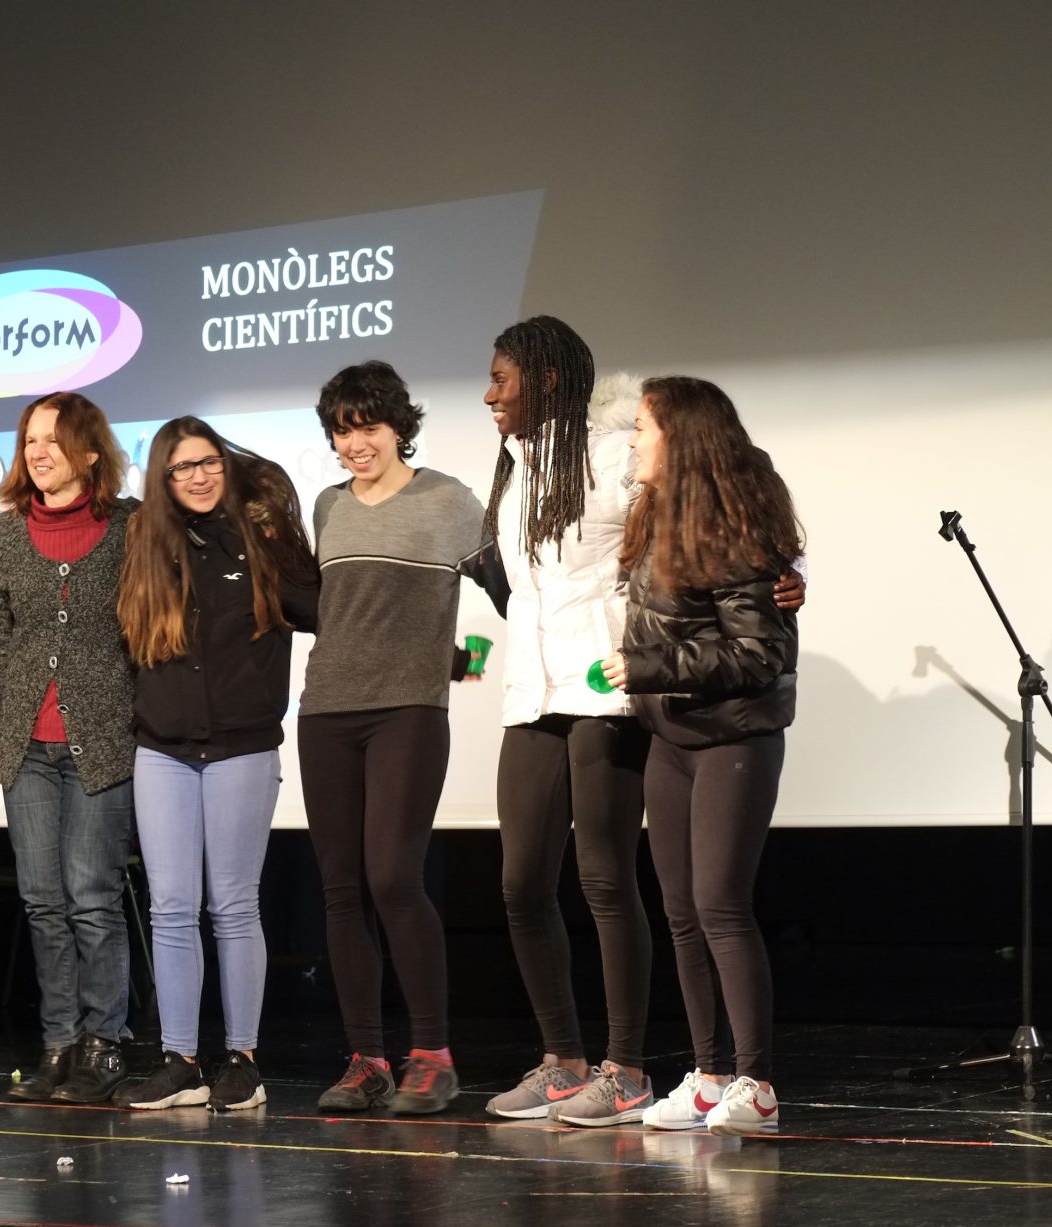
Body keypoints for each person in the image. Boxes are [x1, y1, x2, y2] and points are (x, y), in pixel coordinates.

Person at [473, 318, 808, 1126]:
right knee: (521, 884)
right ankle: (563, 1061)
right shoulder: (513, 468)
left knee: (612, 881)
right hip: (533, 690)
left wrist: (787, 574)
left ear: (548, 379)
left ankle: (628, 1069)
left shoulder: (615, 455)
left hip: (612, 690)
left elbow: (719, 488)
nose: (488, 395)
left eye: (501, 378)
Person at [600, 375, 801, 1138]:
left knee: (720, 905)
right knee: (681, 913)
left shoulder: (737, 529)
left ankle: (758, 1085)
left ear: (681, 438)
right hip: (672, 737)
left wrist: (650, 668)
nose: (633, 441)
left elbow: (757, 654)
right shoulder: (654, 515)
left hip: (733, 738)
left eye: (643, 427)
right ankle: (711, 1078)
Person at [113, 417, 319, 1111]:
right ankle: (179, 1062)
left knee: (231, 905)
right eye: (182, 468)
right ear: (163, 479)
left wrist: (275, 534)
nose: (198, 477)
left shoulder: (259, 537)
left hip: (242, 746)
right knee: (170, 907)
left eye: (209, 463)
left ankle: (242, 1061)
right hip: (163, 750)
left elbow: (317, 605)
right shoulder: (144, 544)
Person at [299, 361, 486, 1114]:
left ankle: (433, 1056)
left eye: (368, 427)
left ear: (399, 426)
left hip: (407, 709)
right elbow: (339, 611)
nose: (356, 444)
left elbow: (517, 589)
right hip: (326, 711)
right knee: (341, 889)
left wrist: (467, 657)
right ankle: (366, 1059)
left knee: (392, 879)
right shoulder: (328, 506)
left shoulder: (448, 500)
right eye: (342, 431)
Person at [0, 392, 138, 1105]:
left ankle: (105, 1044)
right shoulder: (5, 534)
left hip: (103, 741)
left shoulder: (130, 527)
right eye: (30, 440)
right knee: (42, 902)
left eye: (54, 440)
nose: (38, 452)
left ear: (90, 452)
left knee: (92, 899)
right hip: (25, 744)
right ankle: (59, 1044)